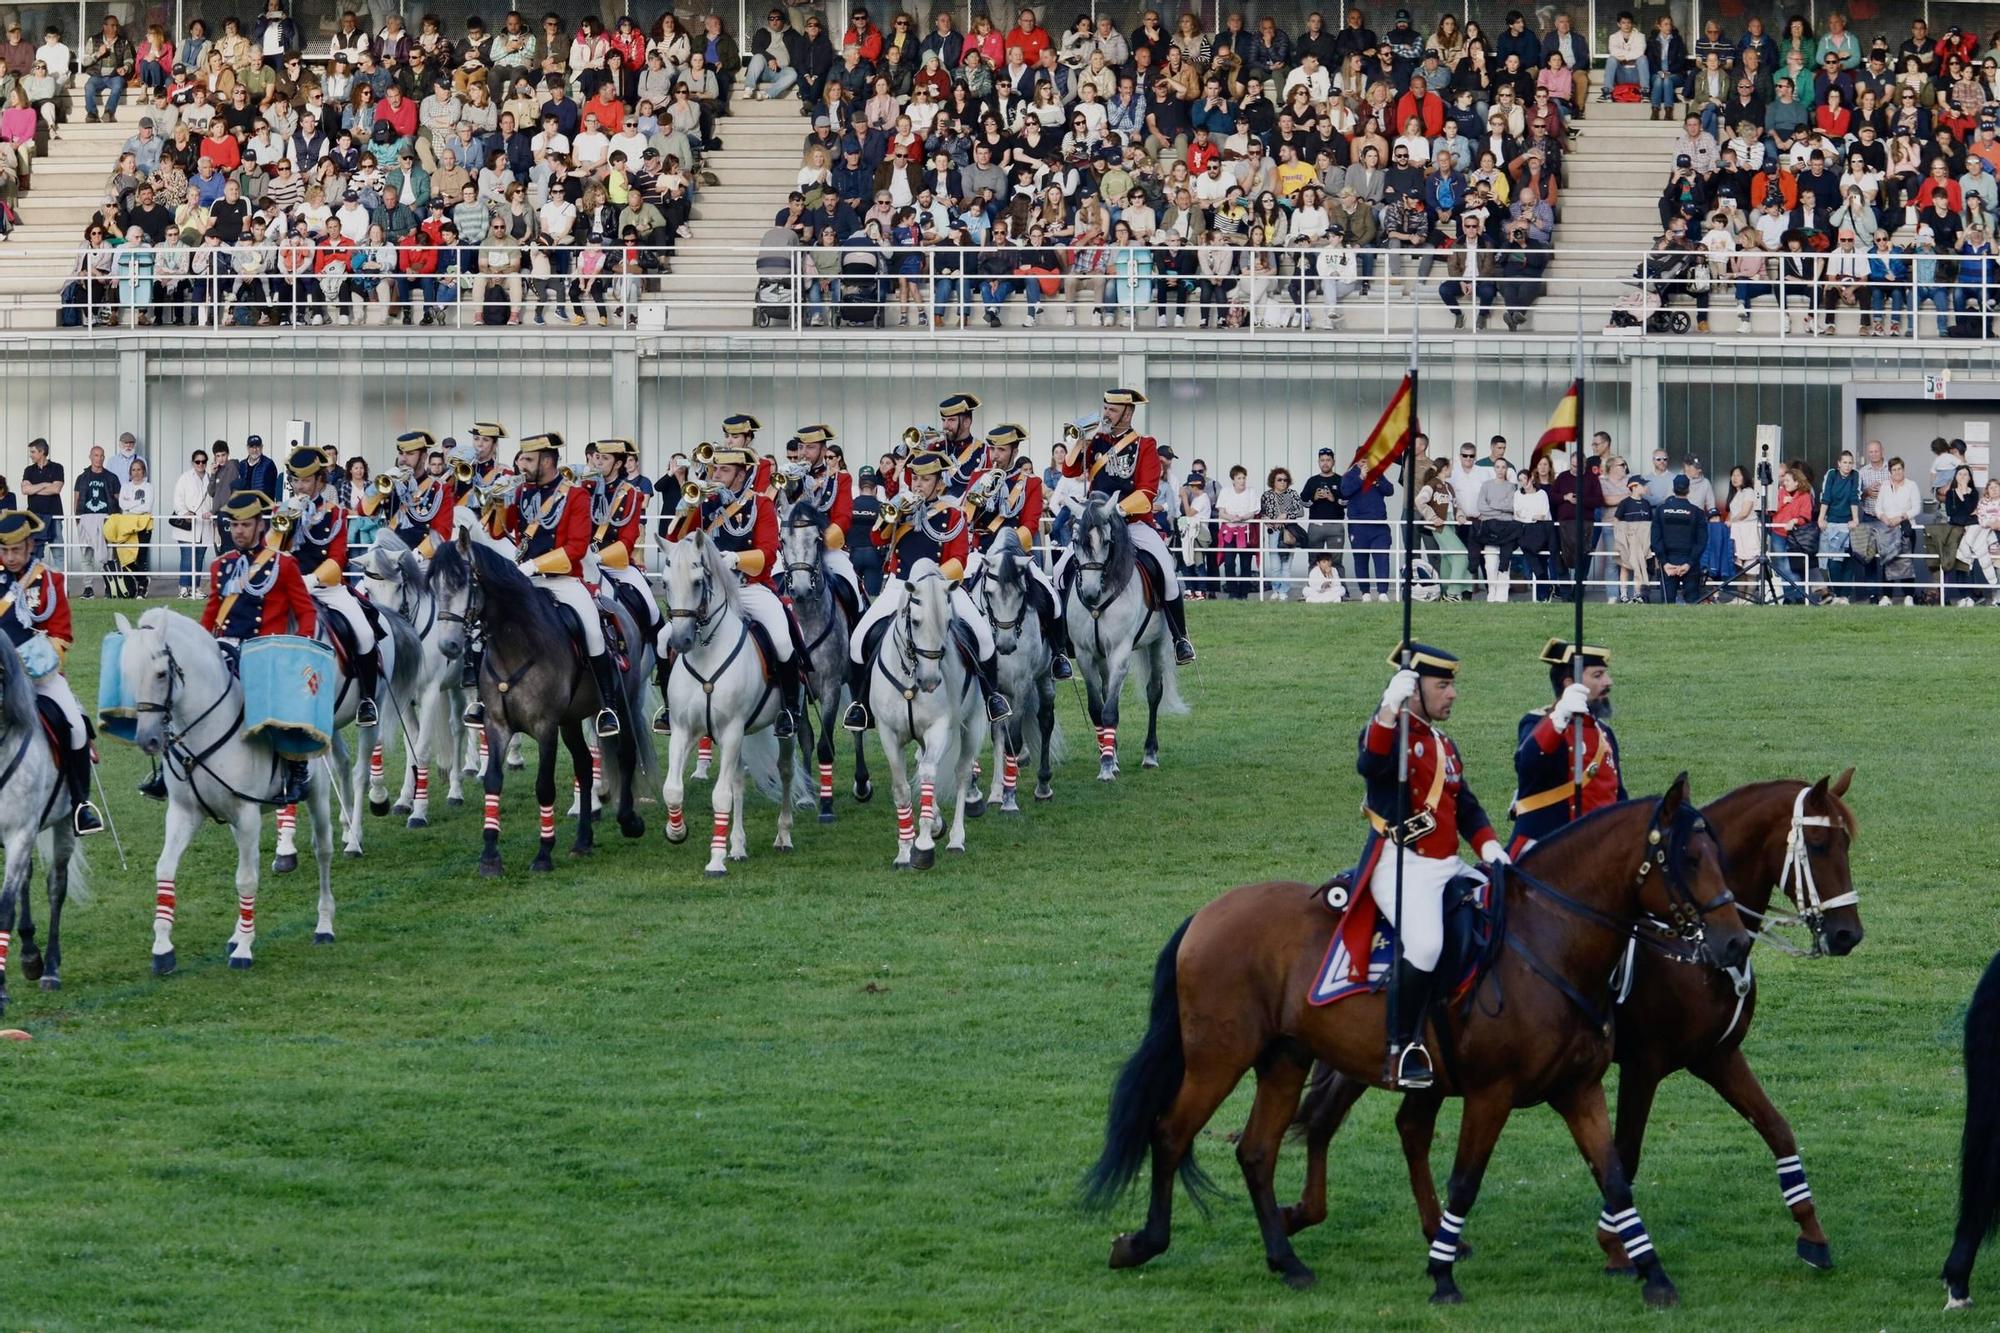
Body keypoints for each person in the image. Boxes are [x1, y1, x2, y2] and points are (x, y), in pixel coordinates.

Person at [1350, 642, 1504, 1089]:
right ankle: (1401, 1045)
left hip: (1447, 864)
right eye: (1443, 685)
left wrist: (1490, 847)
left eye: (1451, 684)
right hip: (1402, 864)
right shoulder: (1386, 733)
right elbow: (1370, 765)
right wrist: (1386, 709)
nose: (1452, 694)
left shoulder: (1443, 744)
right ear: (1414, 691)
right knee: (1425, 946)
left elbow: (1467, 807)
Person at [843, 447, 1012, 733]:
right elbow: (875, 538)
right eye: (915, 478)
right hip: (901, 583)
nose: (918, 484)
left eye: (925, 479)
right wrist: (892, 516)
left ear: (940, 482)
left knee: (983, 637)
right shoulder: (901, 508)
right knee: (858, 640)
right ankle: (862, 704)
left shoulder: (955, 514)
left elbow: (958, 561)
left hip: (942, 587)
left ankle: (990, 697)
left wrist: (932, 582)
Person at [474, 433, 623, 737]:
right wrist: (498, 501)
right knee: (486, 622)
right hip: (525, 580)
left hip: (564, 579)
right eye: (520, 459)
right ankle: (481, 699)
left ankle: (608, 706)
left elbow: (576, 548)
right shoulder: (523, 491)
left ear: (547, 460)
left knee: (593, 631)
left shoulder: (576, 495)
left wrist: (534, 565)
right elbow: (497, 530)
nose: (520, 465)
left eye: (527, 460)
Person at [1056, 388, 1195, 662]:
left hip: (1132, 522)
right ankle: (1062, 643)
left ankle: (1180, 638)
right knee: (1061, 570)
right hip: (1096, 522)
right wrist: (1083, 441)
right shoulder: (1096, 440)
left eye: (1112, 409)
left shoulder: (1145, 445)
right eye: (1105, 407)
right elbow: (1069, 470)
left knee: (1165, 570)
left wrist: (1116, 511)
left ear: (1128, 413)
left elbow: (1146, 493)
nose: (1106, 413)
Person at [200, 490, 318, 803]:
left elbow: (306, 612)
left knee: (281, 703)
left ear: (260, 526)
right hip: (224, 648)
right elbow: (211, 614)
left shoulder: (284, 565)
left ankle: (296, 770)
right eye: (233, 525)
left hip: (265, 650)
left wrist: (299, 646)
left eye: (245, 525)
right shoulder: (221, 565)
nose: (238, 531)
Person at [0, 511, 103, 834]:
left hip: (40, 676)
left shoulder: (51, 581)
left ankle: (80, 804)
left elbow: (61, 635)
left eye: (16, 549)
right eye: (4, 550)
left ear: (30, 546)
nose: (10, 557)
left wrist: (29, 663)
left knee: (75, 725)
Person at [276, 447, 380, 727]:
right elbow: (271, 552)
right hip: (289, 588)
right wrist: (285, 525)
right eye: (295, 480)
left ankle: (367, 700)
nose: (300, 486)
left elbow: (337, 558)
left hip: (326, 588)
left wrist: (310, 580)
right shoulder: (283, 510)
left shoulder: (335, 515)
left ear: (320, 481)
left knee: (365, 633)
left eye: (306, 481)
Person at [960, 421, 1071, 679]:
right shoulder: (979, 477)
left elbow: (1030, 524)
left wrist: (1008, 548)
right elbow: (966, 517)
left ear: (1014, 450)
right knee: (957, 597)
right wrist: (981, 493)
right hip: (981, 552)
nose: (995, 455)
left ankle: (1058, 653)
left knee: (1051, 598)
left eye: (1001, 450)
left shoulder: (1030, 483)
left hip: (1015, 554)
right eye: (992, 450)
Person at [1508, 639, 1625, 855]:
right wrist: (1560, 716)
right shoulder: (1538, 723)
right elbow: (1528, 763)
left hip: (1599, 849)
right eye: (1598, 676)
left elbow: (1618, 797)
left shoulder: (1604, 734)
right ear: (1570, 684)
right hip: (1545, 849)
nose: (1608, 682)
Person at [358, 429, 454, 556]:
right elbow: (362, 511)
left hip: (422, 558)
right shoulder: (389, 483)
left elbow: (442, 532)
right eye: (400, 453)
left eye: (409, 453)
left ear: (424, 457)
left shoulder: (439, 489)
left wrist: (418, 555)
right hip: (390, 554)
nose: (403, 459)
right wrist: (378, 488)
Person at [1651, 473, 1707, 603]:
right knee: (1691, 603)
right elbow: (1702, 541)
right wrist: (1689, 563)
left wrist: (1664, 563)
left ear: (1673, 489)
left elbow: (1655, 539)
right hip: (1690, 561)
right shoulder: (1697, 512)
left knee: (1667, 604)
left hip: (1668, 561)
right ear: (1688, 490)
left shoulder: (1660, 511)